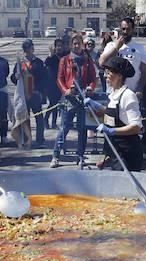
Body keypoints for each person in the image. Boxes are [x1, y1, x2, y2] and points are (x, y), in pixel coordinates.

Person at [84, 55, 143, 171]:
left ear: (119, 76)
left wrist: (112, 131)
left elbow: (136, 127)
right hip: (115, 152)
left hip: (127, 154)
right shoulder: (114, 93)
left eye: (109, 72)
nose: (105, 75)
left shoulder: (128, 96)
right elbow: (115, 114)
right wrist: (97, 106)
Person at [50, 32, 97, 168]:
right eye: (74, 43)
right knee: (64, 128)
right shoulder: (65, 60)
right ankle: (56, 156)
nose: (77, 46)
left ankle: (80, 156)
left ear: (82, 44)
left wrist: (90, 87)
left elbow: (94, 78)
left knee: (82, 129)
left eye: (79, 43)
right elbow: (59, 79)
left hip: (83, 99)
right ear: (71, 45)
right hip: (69, 99)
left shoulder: (87, 59)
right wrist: (66, 91)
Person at [12, 39, 48, 147]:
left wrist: (42, 94)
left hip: (35, 95)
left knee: (39, 119)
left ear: (33, 49)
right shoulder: (19, 63)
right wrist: (15, 77)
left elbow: (44, 79)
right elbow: (13, 78)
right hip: (23, 96)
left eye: (29, 49)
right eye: (25, 50)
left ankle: (40, 140)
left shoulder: (39, 62)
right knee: (24, 118)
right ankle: (26, 139)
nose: (27, 52)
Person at [99, 17, 146, 93]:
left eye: (128, 29)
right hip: (112, 94)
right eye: (123, 29)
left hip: (131, 93)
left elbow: (144, 73)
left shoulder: (139, 48)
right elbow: (101, 62)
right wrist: (116, 48)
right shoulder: (111, 45)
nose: (125, 32)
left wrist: (139, 89)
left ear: (133, 30)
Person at [45, 38, 66, 128]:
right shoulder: (52, 57)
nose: (59, 48)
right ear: (55, 47)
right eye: (58, 46)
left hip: (60, 84)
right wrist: (51, 54)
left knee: (56, 104)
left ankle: (53, 123)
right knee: (52, 103)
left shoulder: (64, 57)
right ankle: (46, 119)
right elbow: (46, 63)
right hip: (50, 84)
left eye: (61, 46)